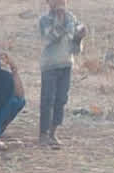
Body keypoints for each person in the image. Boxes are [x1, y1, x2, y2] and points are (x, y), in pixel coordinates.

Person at [38, 0, 86, 147]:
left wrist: (79, 37)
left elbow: (75, 48)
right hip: (50, 65)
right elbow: (50, 38)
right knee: (48, 99)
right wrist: (63, 23)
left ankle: (53, 132)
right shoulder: (45, 20)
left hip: (66, 63)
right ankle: (43, 134)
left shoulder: (71, 18)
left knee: (61, 98)